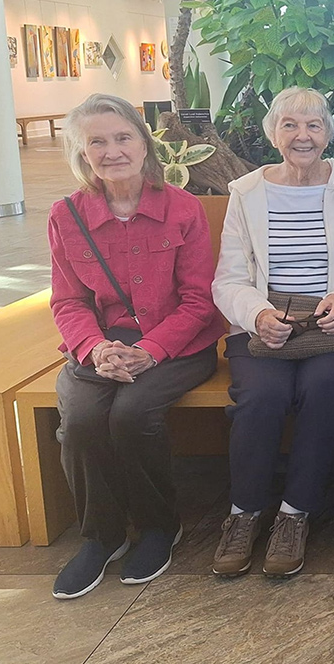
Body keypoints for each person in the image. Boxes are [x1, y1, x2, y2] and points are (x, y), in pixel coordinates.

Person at [48, 94, 226, 599]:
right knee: (81, 421)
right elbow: (68, 302)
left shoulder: (182, 208)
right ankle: (100, 536)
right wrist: (96, 349)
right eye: (97, 141)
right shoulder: (66, 216)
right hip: (100, 347)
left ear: (144, 145)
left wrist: (150, 349)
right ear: (82, 153)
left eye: (122, 137)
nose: (112, 150)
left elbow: (198, 301)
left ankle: (157, 526)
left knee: (132, 413)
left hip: (176, 344)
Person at [211, 86, 334, 579]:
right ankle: (244, 513)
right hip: (266, 324)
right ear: (274, 133)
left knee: (325, 386)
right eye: (290, 125)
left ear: (328, 134)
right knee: (262, 396)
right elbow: (229, 278)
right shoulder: (246, 193)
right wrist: (257, 315)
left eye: (313, 125)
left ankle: (294, 514)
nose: (302, 135)